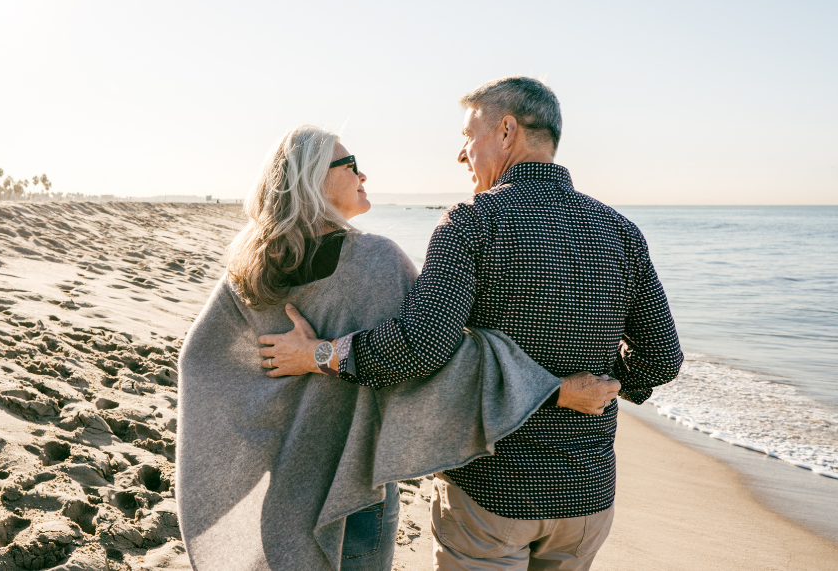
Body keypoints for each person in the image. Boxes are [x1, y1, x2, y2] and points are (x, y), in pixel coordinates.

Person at [258, 77, 683, 570]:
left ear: (506, 132)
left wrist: (319, 354)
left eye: (468, 135)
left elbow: (420, 347)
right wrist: (609, 383)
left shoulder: (472, 221)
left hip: (491, 493)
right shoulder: (620, 231)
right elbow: (662, 358)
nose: (462, 154)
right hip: (587, 499)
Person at [176, 125, 615, 570]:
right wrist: (554, 390)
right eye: (350, 166)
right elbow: (435, 358)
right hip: (351, 485)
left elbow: (202, 363)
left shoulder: (248, 267)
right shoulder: (375, 262)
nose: (363, 175)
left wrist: (276, 401)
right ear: (312, 178)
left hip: (283, 480)